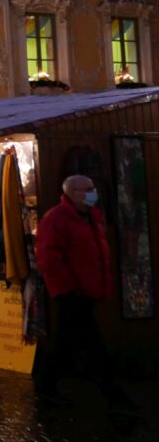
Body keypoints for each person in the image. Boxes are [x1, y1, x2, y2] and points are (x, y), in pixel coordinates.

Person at [33, 174, 133, 407]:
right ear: (72, 193)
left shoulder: (90, 217)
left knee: (65, 342)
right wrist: (68, 289)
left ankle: (46, 384)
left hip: (88, 291)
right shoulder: (57, 219)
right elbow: (49, 258)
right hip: (73, 294)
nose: (93, 192)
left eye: (93, 187)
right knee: (92, 343)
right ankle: (112, 393)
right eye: (87, 189)